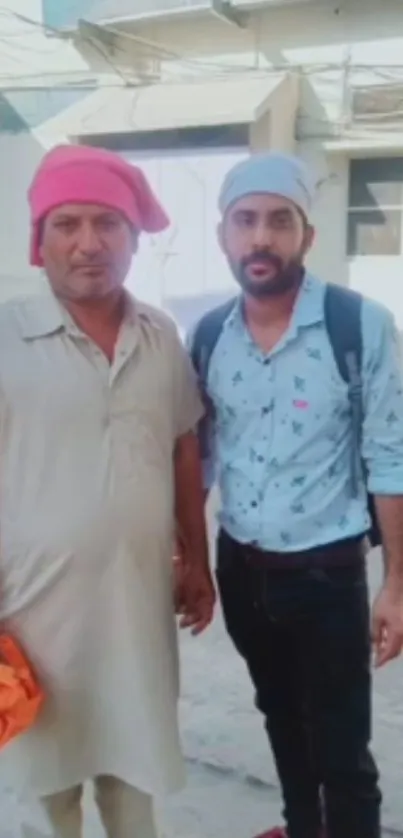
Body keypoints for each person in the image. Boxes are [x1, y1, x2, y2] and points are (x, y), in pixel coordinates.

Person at [0, 144, 215, 838]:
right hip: (28, 615)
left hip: (134, 604)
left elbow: (182, 444)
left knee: (132, 770)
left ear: (132, 238)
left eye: (107, 224)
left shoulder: (160, 336)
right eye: (67, 224)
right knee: (47, 785)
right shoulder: (6, 335)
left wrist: (197, 559)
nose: (88, 244)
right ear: (40, 241)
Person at [187, 152, 403, 838]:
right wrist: (189, 558)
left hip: (327, 572)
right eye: (244, 221)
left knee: (340, 747)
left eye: (279, 221)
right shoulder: (208, 334)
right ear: (222, 234)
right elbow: (202, 457)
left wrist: (395, 584)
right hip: (242, 569)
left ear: (306, 235)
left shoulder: (358, 325)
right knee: (280, 717)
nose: (260, 238)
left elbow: (389, 456)